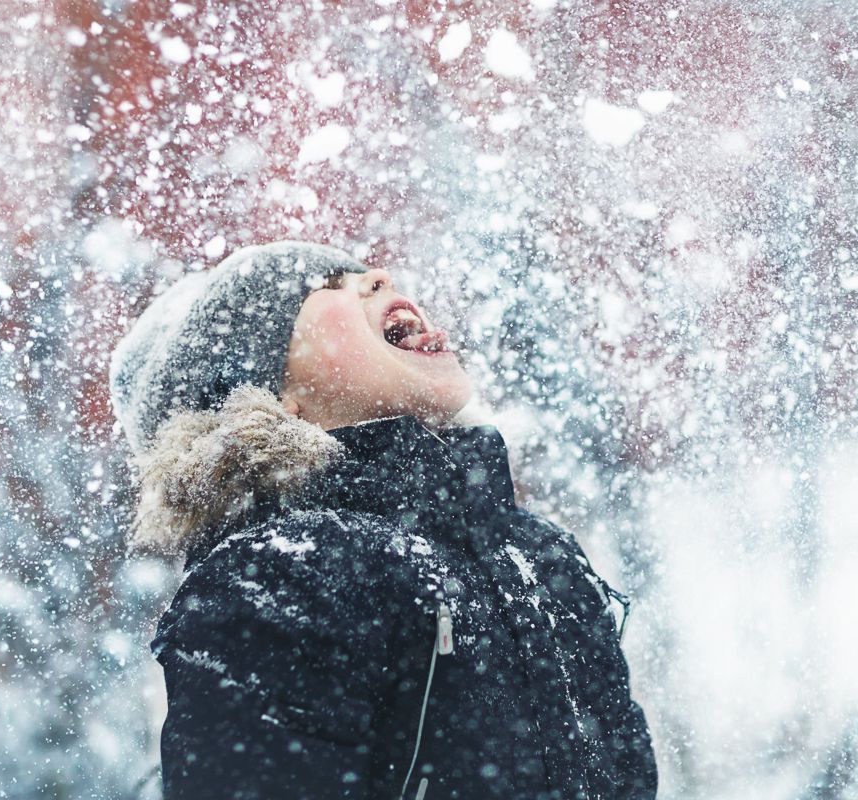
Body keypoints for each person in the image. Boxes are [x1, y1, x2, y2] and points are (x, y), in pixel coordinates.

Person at [109, 240, 658, 800]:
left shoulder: (540, 555)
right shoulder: (279, 574)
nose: (378, 276)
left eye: (363, 272)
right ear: (273, 397)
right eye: (326, 286)